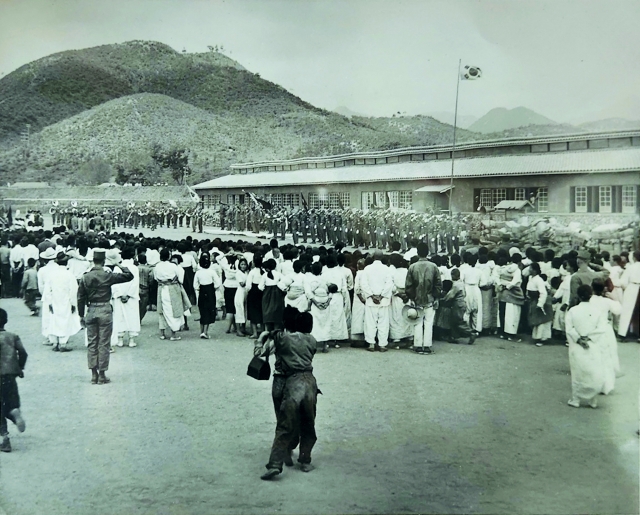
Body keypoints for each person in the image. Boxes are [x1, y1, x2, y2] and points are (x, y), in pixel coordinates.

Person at [256, 308, 320, 480]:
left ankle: (277, 463)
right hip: (310, 383)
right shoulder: (312, 340)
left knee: (284, 423)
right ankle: (305, 460)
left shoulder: (282, 338)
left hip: (289, 383)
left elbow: (261, 352)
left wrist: (261, 338)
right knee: (308, 422)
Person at [77, 249, 134, 384]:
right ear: (103, 261)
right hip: (105, 309)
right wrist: (118, 264)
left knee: (92, 343)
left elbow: (80, 297)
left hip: (91, 309)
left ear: (93, 260)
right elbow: (129, 275)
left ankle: (93, 374)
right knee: (104, 343)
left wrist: (81, 315)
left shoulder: (85, 276)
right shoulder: (108, 275)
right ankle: (102, 374)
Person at [565, 285, 615, 408]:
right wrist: (589, 337)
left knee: (577, 371)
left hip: (577, 345)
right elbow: (602, 327)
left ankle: (576, 399)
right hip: (593, 344)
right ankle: (593, 400)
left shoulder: (572, 311)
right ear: (590, 295)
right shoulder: (597, 311)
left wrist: (579, 338)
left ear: (578, 296)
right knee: (593, 371)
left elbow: (569, 328)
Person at [405, 243, 442, 355]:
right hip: (430, 298)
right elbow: (438, 284)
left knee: (417, 322)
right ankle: (427, 346)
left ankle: (417, 345)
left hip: (416, 298)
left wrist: (411, 297)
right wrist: (436, 297)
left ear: (418, 252)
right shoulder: (433, 266)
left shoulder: (412, 267)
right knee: (429, 322)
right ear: (428, 252)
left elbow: (408, 285)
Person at [0, 308, 28, 453]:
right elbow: (23, 353)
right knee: (9, 402)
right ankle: (14, 413)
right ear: (6, 321)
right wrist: (20, 368)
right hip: (10, 375)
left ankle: (4, 439)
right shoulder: (12, 336)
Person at [360, 250, 395, 352]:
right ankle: (382, 344)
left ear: (373, 256)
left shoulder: (367, 269)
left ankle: (371, 344)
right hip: (383, 301)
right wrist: (382, 296)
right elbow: (389, 284)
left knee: (370, 322)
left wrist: (372, 296)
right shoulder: (386, 269)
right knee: (383, 323)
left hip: (371, 300)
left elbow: (364, 284)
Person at [153, 248, 191, 341]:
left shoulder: (157, 266)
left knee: (162, 309)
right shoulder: (174, 266)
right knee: (173, 309)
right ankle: (173, 334)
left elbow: (155, 278)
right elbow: (180, 279)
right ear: (169, 256)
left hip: (161, 288)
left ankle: (162, 333)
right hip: (172, 288)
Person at [109, 248, 140, 348]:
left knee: (119, 316)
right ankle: (131, 340)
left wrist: (120, 294)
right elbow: (135, 283)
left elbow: (115, 283)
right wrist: (128, 294)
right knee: (132, 316)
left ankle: (120, 340)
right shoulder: (134, 268)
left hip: (119, 297)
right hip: (130, 297)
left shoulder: (118, 268)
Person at [442, 268, 476, 344]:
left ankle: (471, 333)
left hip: (457, 304)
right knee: (453, 321)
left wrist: (443, 299)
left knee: (458, 321)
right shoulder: (461, 283)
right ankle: (454, 337)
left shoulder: (456, 285)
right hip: (461, 303)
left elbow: (450, 296)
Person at [193, 253, 221, 339]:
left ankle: (202, 331)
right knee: (209, 311)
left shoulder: (198, 273)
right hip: (210, 291)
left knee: (203, 310)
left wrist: (198, 289)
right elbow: (217, 283)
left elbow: (195, 285)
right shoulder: (212, 272)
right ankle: (205, 331)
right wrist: (214, 288)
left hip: (202, 291)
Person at [526, 262, 553, 347]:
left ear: (534, 270)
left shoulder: (539, 280)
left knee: (542, 321)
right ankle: (537, 337)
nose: (529, 270)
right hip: (533, 300)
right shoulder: (531, 278)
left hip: (540, 301)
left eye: (530, 268)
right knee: (536, 320)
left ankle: (543, 338)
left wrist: (540, 304)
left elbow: (543, 293)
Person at [618, 250, 640, 340]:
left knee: (627, 311)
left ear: (634, 258)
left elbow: (623, 281)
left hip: (633, 287)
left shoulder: (631, 267)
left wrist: (625, 287)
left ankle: (623, 334)